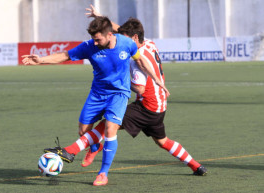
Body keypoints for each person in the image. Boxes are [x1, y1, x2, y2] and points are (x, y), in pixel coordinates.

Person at [54, 6, 207, 186]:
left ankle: (70, 151)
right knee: (163, 141)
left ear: (134, 39)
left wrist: (122, 79)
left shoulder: (137, 63)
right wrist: (101, 17)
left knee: (108, 125)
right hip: (159, 107)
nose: (119, 39)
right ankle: (196, 165)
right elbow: (119, 31)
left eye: (124, 37)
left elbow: (140, 88)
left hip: (146, 106)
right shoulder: (148, 43)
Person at [22, 16, 165, 186]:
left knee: (111, 128)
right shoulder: (89, 46)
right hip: (97, 94)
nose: (95, 43)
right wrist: (41, 60)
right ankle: (95, 146)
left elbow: (140, 59)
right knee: (83, 131)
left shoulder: (126, 44)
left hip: (119, 94)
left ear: (110, 35)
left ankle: (103, 173)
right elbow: (65, 55)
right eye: (93, 39)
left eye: (98, 39)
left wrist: (156, 78)